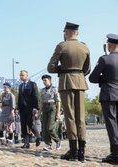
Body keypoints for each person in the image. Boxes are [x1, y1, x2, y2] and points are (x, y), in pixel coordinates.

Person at [47, 22, 90, 162]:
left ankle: (73, 152)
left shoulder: (62, 46)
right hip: (80, 81)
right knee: (80, 118)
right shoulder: (84, 47)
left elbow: (50, 67)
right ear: (77, 33)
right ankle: (82, 153)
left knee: (70, 116)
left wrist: (60, 69)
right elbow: (87, 69)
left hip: (66, 82)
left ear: (66, 32)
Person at [89, 34, 118, 165]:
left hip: (109, 94)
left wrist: (104, 79)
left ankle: (116, 154)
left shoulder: (105, 59)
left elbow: (93, 78)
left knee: (112, 124)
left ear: (109, 45)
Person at [17, 70, 40, 148]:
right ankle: (26, 143)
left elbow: (36, 96)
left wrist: (35, 107)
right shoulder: (20, 86)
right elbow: (19, 98)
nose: (21, 77)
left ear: (27, 75)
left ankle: (38, 136)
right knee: (23, 125)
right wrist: (18, 108)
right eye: (20, 75)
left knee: (30, 123)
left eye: (22, 75)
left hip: (30, 108)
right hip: (22, 108)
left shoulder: (32, 84)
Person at [40, 75, 61, 151]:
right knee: (45, 128)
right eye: (43, 81)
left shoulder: (54, 89)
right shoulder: (42, 90)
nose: (44, 82)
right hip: (45, 108)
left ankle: (58, 141)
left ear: (49, 80)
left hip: (52, 107)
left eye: (45, 80)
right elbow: (41, 101)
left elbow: (58, 101)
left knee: (50, 128)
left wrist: (58, 113)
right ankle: (48, 145)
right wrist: (39, 112)